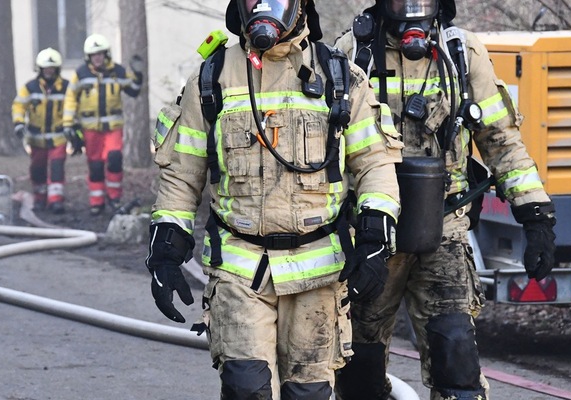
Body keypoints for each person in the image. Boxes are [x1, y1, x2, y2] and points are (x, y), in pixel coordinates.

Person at [145, 0, 404, 398]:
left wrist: (375, 237)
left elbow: (375, 164)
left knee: (309, 393)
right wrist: (165, 250)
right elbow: (182, 173)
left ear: (300, 6)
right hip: (239, 270)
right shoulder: (211, 78)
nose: (264, 6)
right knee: (245, 388)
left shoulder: (340, 77)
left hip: (318, 274)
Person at [333, 1, 557, 399]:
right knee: (358, 368)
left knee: (455, 352)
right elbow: (325, 150)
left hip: (444, 227)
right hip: (372, 237)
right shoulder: (352, 52)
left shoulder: (461, 54)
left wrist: (535, 215)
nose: (412, 10)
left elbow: (501, 139)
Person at [62, 33, 143, 215]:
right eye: (93, 55)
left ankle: (114, 198)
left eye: (100, 54)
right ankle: (97, 202)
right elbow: (70, 98)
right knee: (96, 165)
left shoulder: (118, 71)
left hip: (113, 127)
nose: (97, 58)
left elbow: (133, 91)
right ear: (88, 57)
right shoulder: (81, 74)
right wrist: (68, 124)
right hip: (90, 128)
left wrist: (138, 74)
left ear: (106, 54)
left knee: (115, 159)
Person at [12, 48, 69, 213]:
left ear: (57, 69)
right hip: (36, 137)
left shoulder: (66, 87)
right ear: (40, 69)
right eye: (46, 68)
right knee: (38, 168)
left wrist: (74, 130)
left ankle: (56, 200)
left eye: (52, 68)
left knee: (57, 167)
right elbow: (19, 105)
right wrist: (19, 123)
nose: (49, 71)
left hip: (59, 136)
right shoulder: (30, 87)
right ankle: (40, 198)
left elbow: (74, 108)